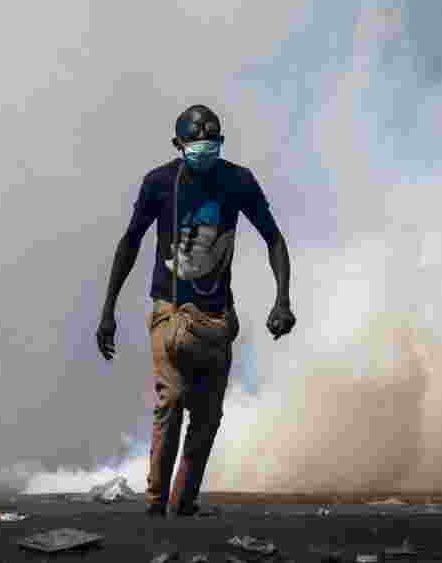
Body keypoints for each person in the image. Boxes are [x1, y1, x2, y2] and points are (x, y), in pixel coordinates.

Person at [96, 104, 296, 518]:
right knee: (172, 399)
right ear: (178, 146)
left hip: (217, 317)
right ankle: (155, 504)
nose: (205, 153)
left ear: (221, 144)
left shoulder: (238, 181)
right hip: (169, 310)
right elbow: (130, 241)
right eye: (197, 146)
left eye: (212, 145)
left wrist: (282, 300)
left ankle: (182, 504)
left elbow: (273, 239)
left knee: (207, 416)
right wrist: (108, 309)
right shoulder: (159, 184)